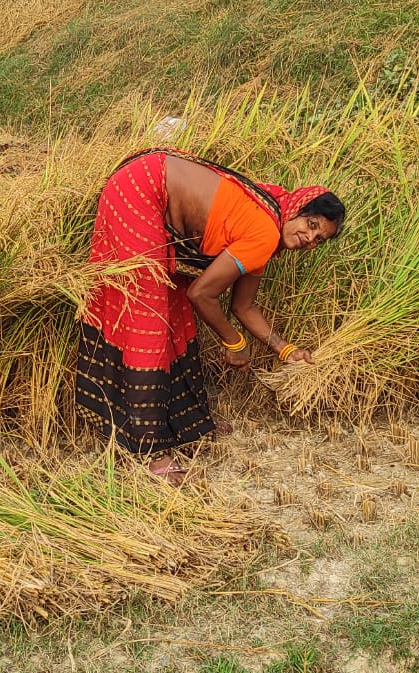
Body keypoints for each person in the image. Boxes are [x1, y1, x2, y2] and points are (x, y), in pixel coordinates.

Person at [76, 149, 345, 483]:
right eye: (311, 224)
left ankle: (185, 422)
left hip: (151, 189)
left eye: (318, 239)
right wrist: (233, 342)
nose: (309, 239)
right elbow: (202, 294)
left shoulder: (270, 221)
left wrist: (285, 350)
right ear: (297, 210)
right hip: (141, 188)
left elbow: (243, 306)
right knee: (147, 317)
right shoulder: (264, 231)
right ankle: (151, 453)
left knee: (174, 309)